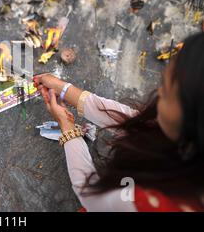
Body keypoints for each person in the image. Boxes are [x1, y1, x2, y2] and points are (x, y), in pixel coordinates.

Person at [33, 32, 204, 212]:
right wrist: (63, 88)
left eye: (167, 94)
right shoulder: (187, 137)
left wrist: (68, 129)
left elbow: (94, 200)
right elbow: (135, 121)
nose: (159, 94)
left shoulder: (149, 202)